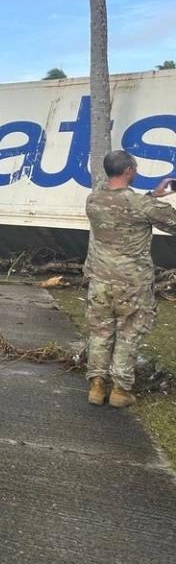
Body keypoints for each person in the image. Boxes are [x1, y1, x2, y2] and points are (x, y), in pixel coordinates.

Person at [85, 150, 176, 408]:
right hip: (131, 284)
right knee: (129, 333)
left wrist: (152, 196)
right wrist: (157, 200)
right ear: (128, 171)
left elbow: (123, 211)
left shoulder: (93, 200)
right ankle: (120, 390)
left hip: (100, 280)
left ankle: (96, 386)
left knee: (101, 332)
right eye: (134, 168)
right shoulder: (142, 206)